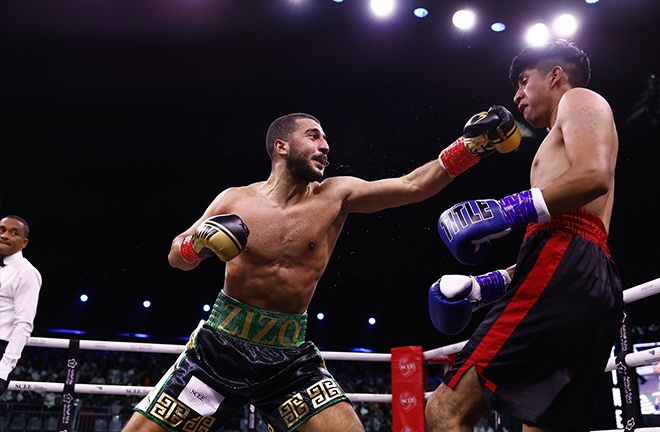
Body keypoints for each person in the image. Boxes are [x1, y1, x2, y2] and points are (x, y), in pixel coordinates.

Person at [121, 108, 522, 432]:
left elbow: (414, 186)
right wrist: (197, 244)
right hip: (219, 349)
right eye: (313, 135)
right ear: (281, 146)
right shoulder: (235, 199)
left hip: (289, 358)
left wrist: (469, 147)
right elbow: (177, 256)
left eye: (325, 138)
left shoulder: (336, 195)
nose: (325, 145)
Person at [426, 39, 623, 431]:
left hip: (567, 264)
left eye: (523, 80)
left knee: (445, 411)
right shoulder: (559, 140)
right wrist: (488, 284)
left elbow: (594, 177)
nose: (516, 95)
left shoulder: (578, 99)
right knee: (541, 426)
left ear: (555, 76)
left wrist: (508, 210)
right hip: (583, 273)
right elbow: (573, 238)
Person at [0, 215, 43, 396]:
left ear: (24, 243)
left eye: (13, 232)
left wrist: (3, 371)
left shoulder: (27, 273)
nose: (4, 235)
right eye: (2, 230)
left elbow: (24, 324)